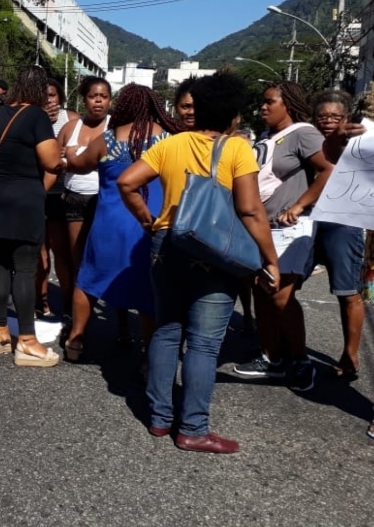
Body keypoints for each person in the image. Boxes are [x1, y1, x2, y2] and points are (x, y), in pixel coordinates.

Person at [117, 72, 279, 454]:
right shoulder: (237, 149)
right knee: (204, 345)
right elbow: (251, 209)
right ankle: (192, 428)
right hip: (213, 250)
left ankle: (159, 418)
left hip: (167, 241)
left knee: (165, 331)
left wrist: (147, 220)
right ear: (232, 114)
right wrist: (268, 260)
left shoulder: (170, 144)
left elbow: (127, 182)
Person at [62, 83, 180, 364]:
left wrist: (68, 154)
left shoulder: (108, 138)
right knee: (150, 291)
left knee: (89, 280)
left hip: (108, 225)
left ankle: (75, 340)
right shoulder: (167, 140)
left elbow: (79, 164)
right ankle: (150, 357)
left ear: (122, 106)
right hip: (149, 224)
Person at [232, 81, 333, 392]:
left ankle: (300, 360)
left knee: (282, 296)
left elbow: (329, 170)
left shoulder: (304, 132)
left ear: (287, 103)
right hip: (263, 229)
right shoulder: (267, 137)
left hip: (292, 228)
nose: (263, 107)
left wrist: (300, 204)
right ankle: (271, 356)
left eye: (269, 102)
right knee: (263, 291)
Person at [0, 65, 62, 367]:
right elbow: (51, 162)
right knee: (25, 269)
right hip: (25, 199)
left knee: (1, 262)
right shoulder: (37, 116)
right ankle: (27, 340)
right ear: (40, 90)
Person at [309, 88, 365, 380]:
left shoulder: (359, 138)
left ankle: (350, 355)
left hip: (344, 223)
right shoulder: (308, 138)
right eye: (323, 115)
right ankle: (281, 349)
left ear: (347, 117)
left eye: (335, 115)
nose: (329, 120)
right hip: (307, 222)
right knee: (284, 285)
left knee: (347, 293)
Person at [54, 76, 111, 348]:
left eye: (103, 96)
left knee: (106, 261)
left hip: (105, 201)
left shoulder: (117, 128)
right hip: (74, 199)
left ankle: (117, 321)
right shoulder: (70, 127)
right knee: (77, 261)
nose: (98, 101)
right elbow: (54, 161)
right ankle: (75, 318)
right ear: (84, 99)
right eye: (93, 96)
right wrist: (66, 160)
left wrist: (75, 158)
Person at [35, 78, 74, 320]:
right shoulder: (33, 118)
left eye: (53, 95)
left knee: (62, 252)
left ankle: (69, 303)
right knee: (40, 255)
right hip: (38, 192)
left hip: (62, 193)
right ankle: (42, 300)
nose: (49, 100)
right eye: (44, 95)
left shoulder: (72, 119)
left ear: (60, 97)